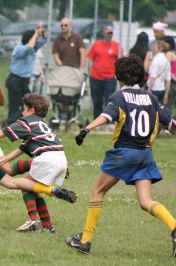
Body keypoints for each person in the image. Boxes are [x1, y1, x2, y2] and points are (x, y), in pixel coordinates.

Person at [64, 55, 176, 256]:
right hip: (145, 154)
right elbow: (171, 124)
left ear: (118, 76)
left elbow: (106, 116)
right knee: (145, 201)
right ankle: (174, 227)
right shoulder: (152, 98)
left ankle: (85, 240)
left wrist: (85, 129)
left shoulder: (119, 97)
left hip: (125, 152)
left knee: (97, 191)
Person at [0, 93, 74, 232]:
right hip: (60, 158)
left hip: (46, 159)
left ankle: (35, 217)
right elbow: (21, 150)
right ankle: (47, 226)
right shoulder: (41, 125)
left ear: (31, 110)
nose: (22, 112)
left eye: (24, 109)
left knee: (22, 185)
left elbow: (3, 132)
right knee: (31, 189)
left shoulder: (28, 122)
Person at [5, 25, 45, 125]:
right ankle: (10, 125)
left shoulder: (33, 49)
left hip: (23, 82)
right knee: (15, 106)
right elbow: (30, 46)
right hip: (15, 80)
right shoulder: (20, 49)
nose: (37, 41)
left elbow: (44, 39)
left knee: (28, 104)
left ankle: (23, 124)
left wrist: (41, 31)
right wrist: (35, 34)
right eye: (35, 39)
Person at [87, 25, 121, 119]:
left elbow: (120, 61)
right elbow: (90, 59)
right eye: (107, 33)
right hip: (95, 77)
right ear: (103, 33)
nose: (109, 35)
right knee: (96, 100)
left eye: (111, 33)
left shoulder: (116, 46)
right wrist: (89, 72)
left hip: (110, 78)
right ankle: (97, 119)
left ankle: (107, 119)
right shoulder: (96, 44)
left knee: (109, 100)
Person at [147, 40, 171, 105]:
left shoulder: (156, 60)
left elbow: (153, 77)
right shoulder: (166, 61)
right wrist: (166, 95)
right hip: (162, 90)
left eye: (154, 46)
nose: (153, 48)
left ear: (159, 48)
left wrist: (149, 90)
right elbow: (168, 80)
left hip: (154, 89)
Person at [164, 36, 176, 115]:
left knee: (166, 104)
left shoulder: (168, 54)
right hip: (174, 82)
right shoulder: (174, 53)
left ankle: (166, 125)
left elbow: (167, 69)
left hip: (171, 82)